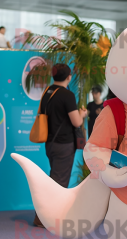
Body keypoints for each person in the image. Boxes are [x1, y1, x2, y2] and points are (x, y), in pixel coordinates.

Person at [33, 63, 87, 227]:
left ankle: (44, 217)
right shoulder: (67, 95)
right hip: (64, 144)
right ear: (68, 77)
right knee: (59, 182)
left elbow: (41, 114)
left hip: (50, 144)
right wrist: (82, 114)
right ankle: (43, 218)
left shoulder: (47, 93)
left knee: (55, 179)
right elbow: (76, 121)